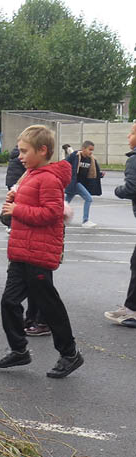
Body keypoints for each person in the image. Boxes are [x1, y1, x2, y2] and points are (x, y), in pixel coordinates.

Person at [0, 124, 83, 378]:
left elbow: (52, 213)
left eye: (24, 151)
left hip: (39, 254)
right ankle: (19, 350)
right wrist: (12, 204)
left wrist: (17, 210)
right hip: (21, 252)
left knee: (50, 307)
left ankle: (70, 354)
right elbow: (24, 207)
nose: (19, 156)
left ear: (42, 150)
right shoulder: (30, 174)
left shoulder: (49, 178)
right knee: (9, 301)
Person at [105, 121, 136, 326]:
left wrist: (118, 190)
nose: (128, 136)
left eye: (132, 132)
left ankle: (132, 310)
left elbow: (132, 187)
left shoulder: (134, 160)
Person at [65, 140, 103, 228]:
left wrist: (100, 174)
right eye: (90, 149)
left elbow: (93, 171)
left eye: (92, 150)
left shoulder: (91, 159)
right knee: (88, 198)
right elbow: (64, 164)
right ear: (83, 149)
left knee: (65, 202)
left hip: (79, 183)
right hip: (74, 182)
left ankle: (57, 218)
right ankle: (85, 221)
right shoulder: (75, 156)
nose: (91, 152)